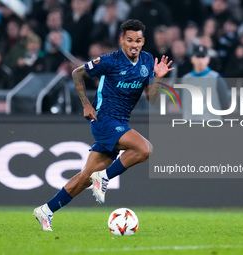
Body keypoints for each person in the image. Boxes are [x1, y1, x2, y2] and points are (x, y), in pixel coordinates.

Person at [33, 19, 174, 231]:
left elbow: (151, 98)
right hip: (104, 121)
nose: (133, 44)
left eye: (138, 40)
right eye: (129, 40)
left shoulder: (146, 61)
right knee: (145, 149)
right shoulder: (111, 60)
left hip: (120, 123)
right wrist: (86, 104)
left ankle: (46, 210)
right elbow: (77, 72)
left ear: (143, 41)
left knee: (85, 178)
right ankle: (104, 177)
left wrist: (158, 78)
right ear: (122, 40)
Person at [182, 44, 229, 120]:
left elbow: (225, 104)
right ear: (192, 59)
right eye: (198, 57)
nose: (200, 60)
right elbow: (182, 102)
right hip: (191, 124)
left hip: (212, 124)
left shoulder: (216, 78)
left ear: (208, 59)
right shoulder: (185, 79)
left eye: (203, 57)